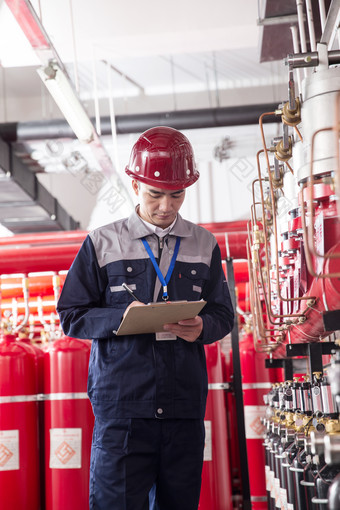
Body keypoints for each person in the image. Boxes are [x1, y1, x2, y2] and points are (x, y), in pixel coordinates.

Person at [57, 126, 234, 510]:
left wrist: (204, 327)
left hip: (183, 408)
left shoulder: (205, 245)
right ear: (135, 184)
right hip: (124, 411)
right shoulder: (103, 243)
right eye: (156, 194)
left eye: (177, 195)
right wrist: (122, 317)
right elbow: (72, 316)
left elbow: (223, 314)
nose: (166, 206)